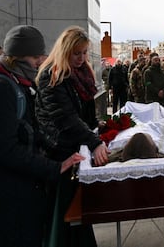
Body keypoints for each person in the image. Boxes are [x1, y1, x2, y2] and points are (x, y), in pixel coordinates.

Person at [0, 25, 84, 247]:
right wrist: (53, 167)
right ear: (17, 56)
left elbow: (32, 131)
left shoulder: (19, 82)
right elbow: (8, 150)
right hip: (12, 196)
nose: (39, 61)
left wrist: (57, 160)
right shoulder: (4, 89)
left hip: (25, 187)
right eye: (35, 56)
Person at [35, 26, 109, 247]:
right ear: (65, 50)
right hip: (58, 150)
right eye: (77, 53)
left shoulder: (81, 72)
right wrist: (94, 141)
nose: (82, 58)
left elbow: (84, 111)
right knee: (64, 211)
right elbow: (66, 118)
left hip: (73, 146)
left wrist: (96, 125)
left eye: (85, 52)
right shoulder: (53, 75)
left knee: (77, 210)